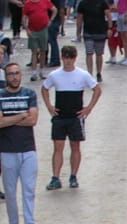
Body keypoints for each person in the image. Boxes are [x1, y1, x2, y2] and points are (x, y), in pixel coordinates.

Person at [38, 42, 94, 191]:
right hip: (60, 116)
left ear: (74, 58)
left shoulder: (83, 74)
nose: (67, 60)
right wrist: (49, 106)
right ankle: (55, 177)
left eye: (70, 58)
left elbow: (97, 90)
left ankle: (73, 176)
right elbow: (44, 89)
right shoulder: (54, 75)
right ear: (62, 58)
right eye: (65, 57)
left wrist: (88, 108)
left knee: (75, 147)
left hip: (76, 116)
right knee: (58, 148)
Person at [0, 59, 42, 224]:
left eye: (17, 73)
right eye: (11, 74)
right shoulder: (1, 95)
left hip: (27, 149)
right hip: (7, 150)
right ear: (6, 77)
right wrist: (21, 115)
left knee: (29, 190)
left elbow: (33, 120)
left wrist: (10, 119)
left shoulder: (29, 94)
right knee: (10, 192)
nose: (15, 77)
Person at [75, 0, 107, 79]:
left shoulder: (102, 2)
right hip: (89, 32)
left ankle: (98, 72)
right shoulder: (83, 3)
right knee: (90, 53)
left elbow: (108, 14)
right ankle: (90, 73)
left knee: (98, 54)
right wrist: (78, 31)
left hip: (99, 32)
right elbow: (79, 18)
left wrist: (109, 28)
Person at [21, 0, 51, 83]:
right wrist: (27, 29)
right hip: (32, 30)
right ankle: (34, 73)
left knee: (43, 51)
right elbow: (24, 17)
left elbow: (54, 9)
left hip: (43, 29)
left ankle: (41, 71)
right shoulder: (28, 3)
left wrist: (50, 20)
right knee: (34, 51)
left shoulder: (45, 1)